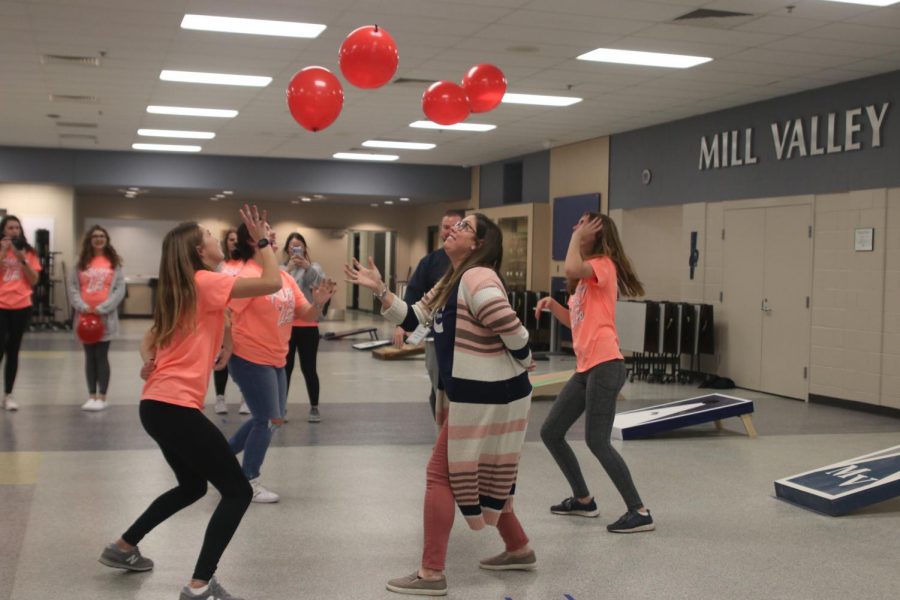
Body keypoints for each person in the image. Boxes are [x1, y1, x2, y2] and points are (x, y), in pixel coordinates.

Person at [345, 213, 536, 597]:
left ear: (478, 245)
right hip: (481, 393)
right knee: (482, 473)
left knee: (440, 473)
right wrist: (382, 291)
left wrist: (524, 354)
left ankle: (431, 573)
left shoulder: (476, 278)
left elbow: (511, 326)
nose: (454, 230)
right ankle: (519, 548)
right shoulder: (453, 278)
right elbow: (415, 317)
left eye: (464, 227)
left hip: (488, 394)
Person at [98, 205, 282, 600]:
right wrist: (263, 241)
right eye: (210, 236)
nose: (217, 238)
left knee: (193, 486)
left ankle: (123, 546)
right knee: (237, 491)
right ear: (200, 252)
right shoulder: (205, 280)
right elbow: (270, 282)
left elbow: (150, 338)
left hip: (156, 406)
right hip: (175, 408)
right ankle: (200, 587)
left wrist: (154, 360)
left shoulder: (181, 288)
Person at [537, 212, 655, 534]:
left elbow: (572, 266)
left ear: (597, 233)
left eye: (582, 225)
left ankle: (639, 510)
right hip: (586, 368)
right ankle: (583, 499)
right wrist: (553, 306)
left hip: (606, 365)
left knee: (597, 441)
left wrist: (573, 239)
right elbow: (576, 320)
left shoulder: (603, 264)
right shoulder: (585, 282)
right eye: (575, 224)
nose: (576, 228)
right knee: (551, 432)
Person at [227, 223, 336, 503]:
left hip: (276, 357)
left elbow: (306, 314)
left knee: (269, 418)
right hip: (250, 357)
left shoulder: (284, 278)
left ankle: (219, 461)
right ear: (253, 242)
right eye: (267, 234)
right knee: (265, 420)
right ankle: (248, 480)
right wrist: (224, 349)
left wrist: (319, 302)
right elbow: (226, 314)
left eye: (272, 233)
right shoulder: (246, 275)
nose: (274, 237)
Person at [392, 209, 464, 417]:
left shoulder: (475, 263)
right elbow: (413, 295)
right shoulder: (431, 262)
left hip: (465, 338)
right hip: (436, 335)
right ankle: (442, 433)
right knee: (438, 385)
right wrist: (402, 325)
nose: (447, 232)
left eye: (454, 227)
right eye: (445, 227)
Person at [67, 225, 126, 411]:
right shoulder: (80, 261)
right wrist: (84, 307)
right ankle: (91, 395)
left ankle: (102, 396)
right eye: (95, 236)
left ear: (107, 239)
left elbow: (119, 289)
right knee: (89, 356)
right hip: (84, 317)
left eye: (102, 236)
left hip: (105, 317)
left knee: (101, 355)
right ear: (89, 240)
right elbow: (73, 287)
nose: (99, 239)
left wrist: (102, 308)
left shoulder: (113, 262)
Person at [282, 232, 326, 422]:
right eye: (292, 246)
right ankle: (280, 408)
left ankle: (314, 407)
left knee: (309, 368)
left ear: (305, 248)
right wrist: (289, 269)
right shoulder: (281, 269)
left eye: (299, 245)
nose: (295, 249)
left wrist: (307, 267)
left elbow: (318, 285)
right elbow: (279, 288)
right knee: (285, 368)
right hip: (286, 326)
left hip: (309, 325)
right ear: (287, 249)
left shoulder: (314, 267)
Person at [0, 215, 41, 411]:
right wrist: (3, 252)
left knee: (13, 350)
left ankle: (8, 394)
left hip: (21, 305)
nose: (14, 231)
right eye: (10, 228)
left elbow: (34, 280)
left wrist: (21, 259)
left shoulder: (29, 252)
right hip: (1, 304)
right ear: (3, 231)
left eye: (17, 228)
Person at [213, 228, 242, 415]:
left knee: (243, 359)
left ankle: (245, 397)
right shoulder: (220, 265)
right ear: (226, 242)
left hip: (242, 318)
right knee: (221, 356)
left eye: (237, 239)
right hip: (223, 317)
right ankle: (220, 398)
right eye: (231, 239)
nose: (234, 242)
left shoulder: (246, 264)